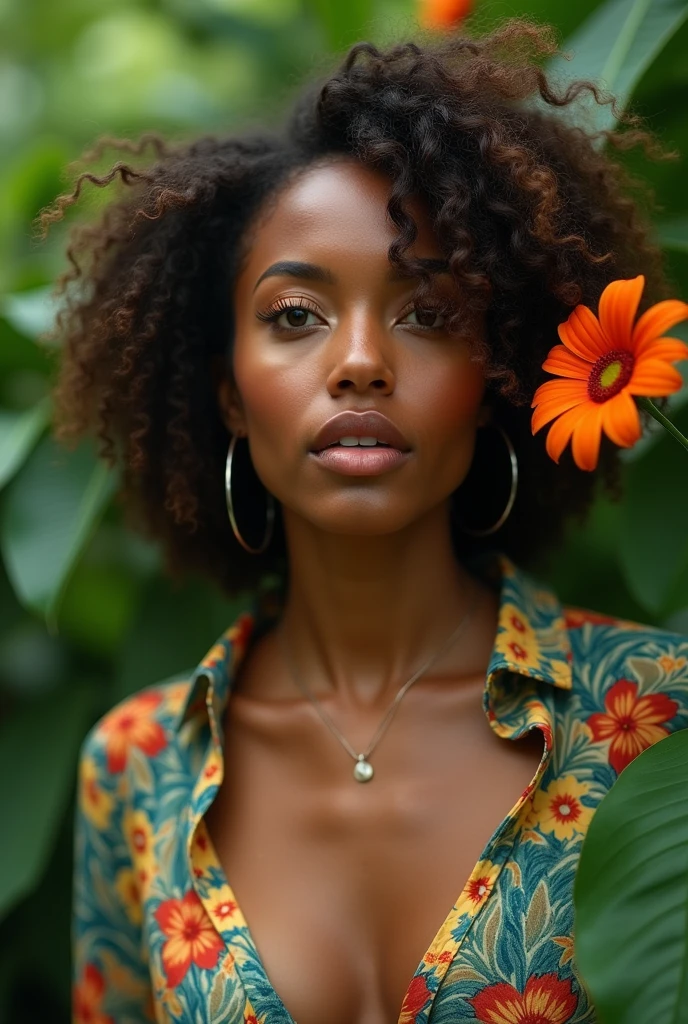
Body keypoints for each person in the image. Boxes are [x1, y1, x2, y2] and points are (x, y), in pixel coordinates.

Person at [44, 17, 688, 1024]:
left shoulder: (655, 717)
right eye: (294, 315)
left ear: (495, 376)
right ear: (224, 391)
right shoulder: (133, 769)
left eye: (428, 313)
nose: (357, 361)